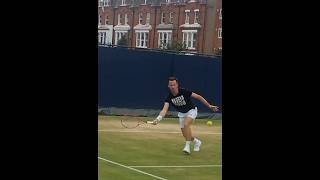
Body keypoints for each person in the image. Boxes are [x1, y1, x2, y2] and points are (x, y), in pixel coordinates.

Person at [153, 77, 219, 154]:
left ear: (177, 85)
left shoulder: (184, 92)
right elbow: (164, 110)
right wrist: (158, 119)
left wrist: (209, 106)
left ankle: (187, 146)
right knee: (186, 135)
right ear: (168, 86)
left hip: (191, 111)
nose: (172, 87)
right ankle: (197, 142)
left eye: (174, 85)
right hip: (181, 114)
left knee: (186, 124)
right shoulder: (169, 97)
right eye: (171, 85)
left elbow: (198, 97)